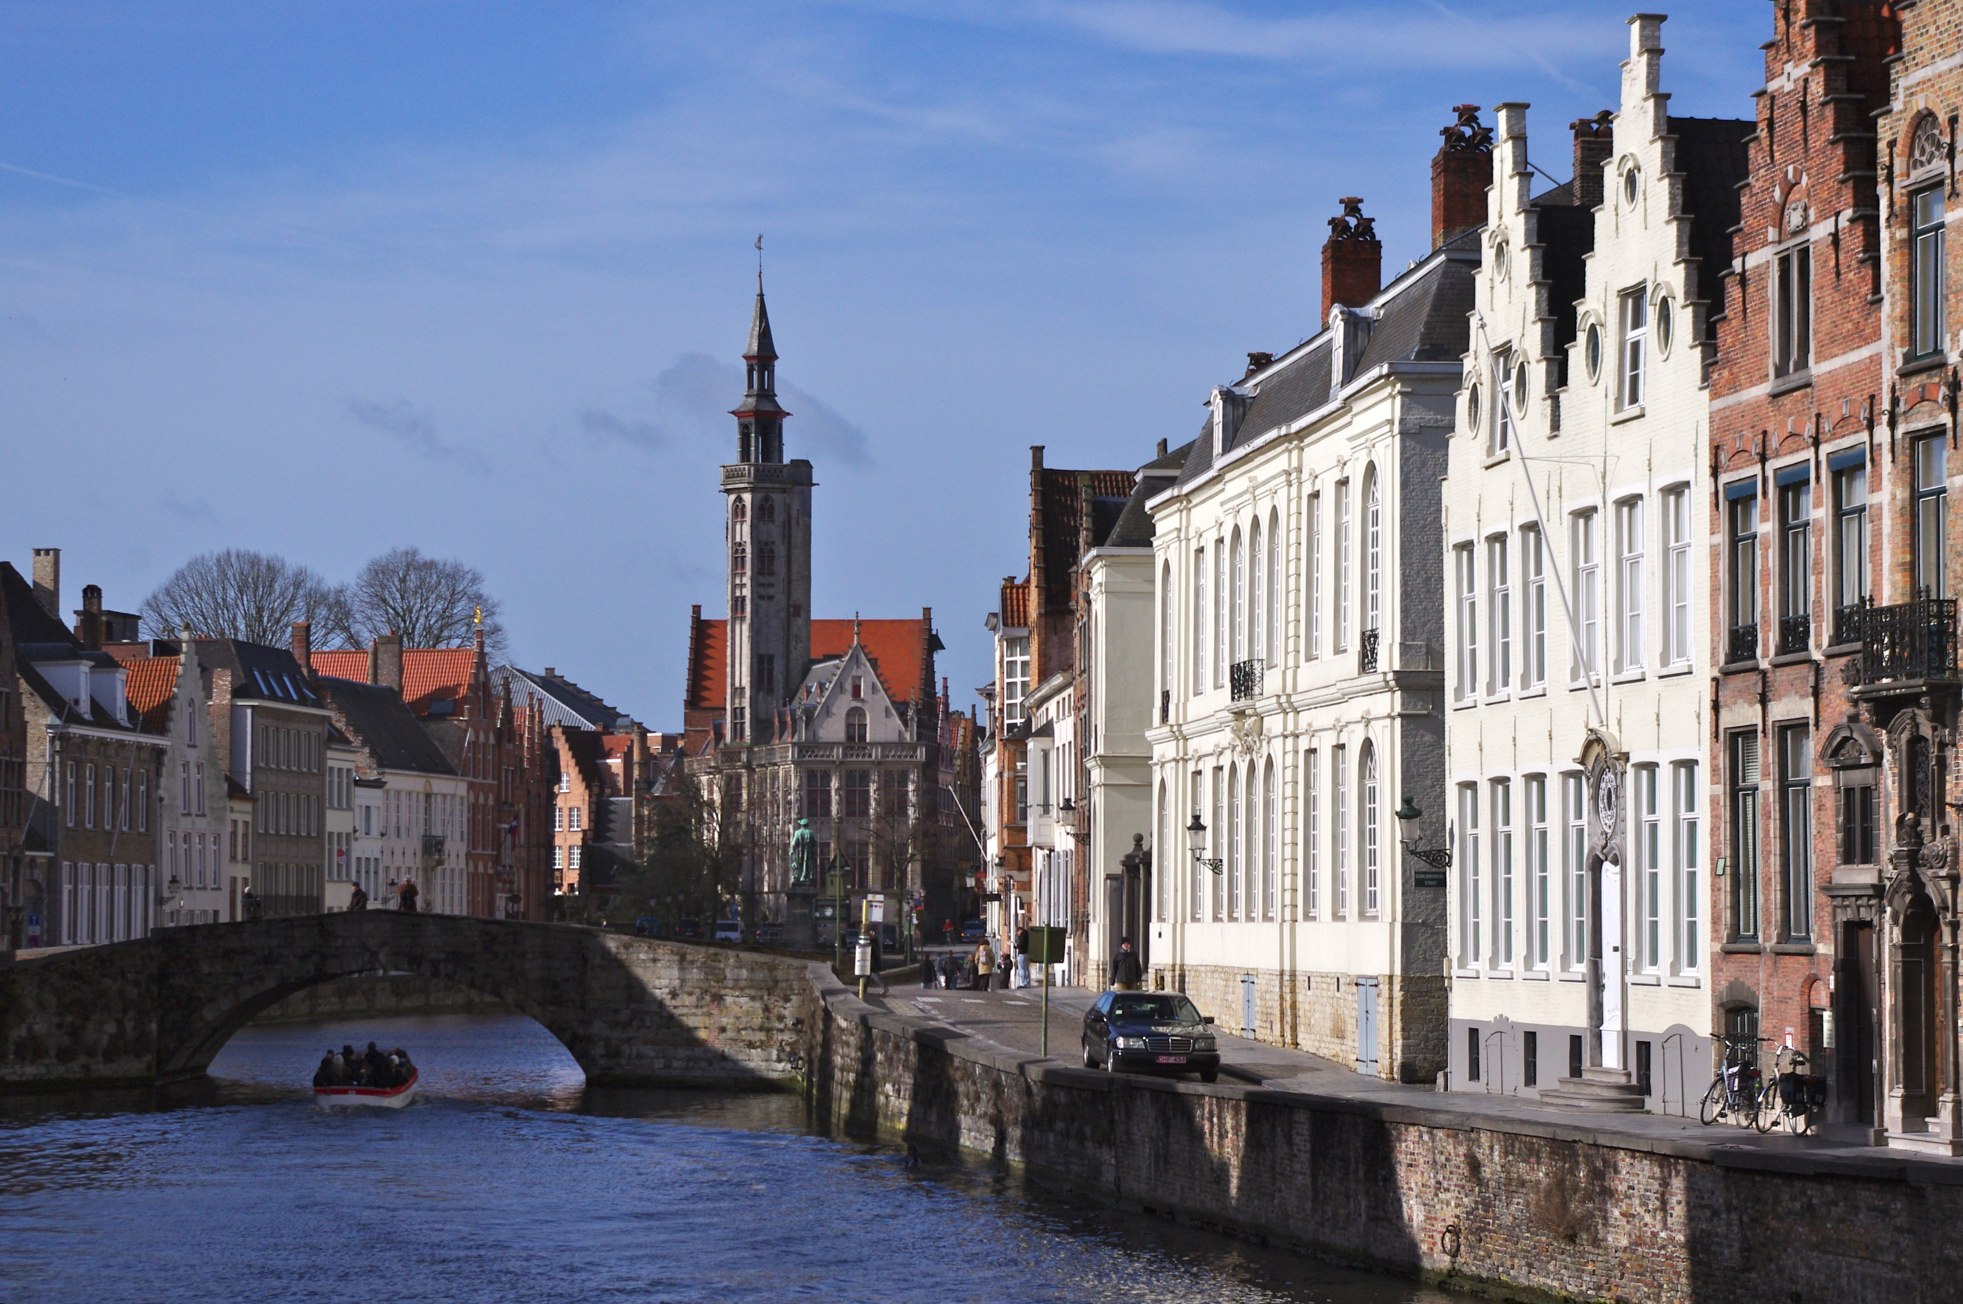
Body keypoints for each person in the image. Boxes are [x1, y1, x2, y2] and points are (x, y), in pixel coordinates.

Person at [1014, 923, 1030, 989]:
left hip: (1022, 953)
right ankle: (1027, 983)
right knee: (1026, 969)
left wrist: (1017, 945)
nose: (1018, 935)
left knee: (1022, 969)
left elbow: (1021, 944)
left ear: (1019, 930)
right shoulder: (1027, 935)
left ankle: (1023, 983)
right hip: (1026, 953)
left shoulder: (1023, 935)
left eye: (1017, 933)